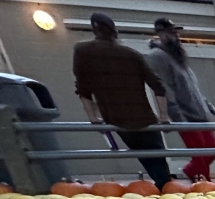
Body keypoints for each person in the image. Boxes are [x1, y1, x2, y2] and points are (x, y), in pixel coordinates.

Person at [73, 12, 172, 188]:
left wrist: (93, 118)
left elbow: (83, 88)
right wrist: (163, 117)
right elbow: (157, 85)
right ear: (114, 32)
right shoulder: (130, 54)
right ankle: (166, 187)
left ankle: (163, 187)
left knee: (146, 158)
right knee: (157, 159)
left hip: (116, 118)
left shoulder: (83, 52)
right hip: (143, 117)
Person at [147, 18, 215, 182]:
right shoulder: (158, 57)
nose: (176, 36)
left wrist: (209, 107)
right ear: (161, 34)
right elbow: (164, 88)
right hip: (185, 115)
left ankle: (190, 171)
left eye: (176, 32)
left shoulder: (178, 57)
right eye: (171, 32)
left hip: (199, 112)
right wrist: (176, 116)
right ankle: (204, 186)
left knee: (212, 149)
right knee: (200, 155)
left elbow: (194, 88)